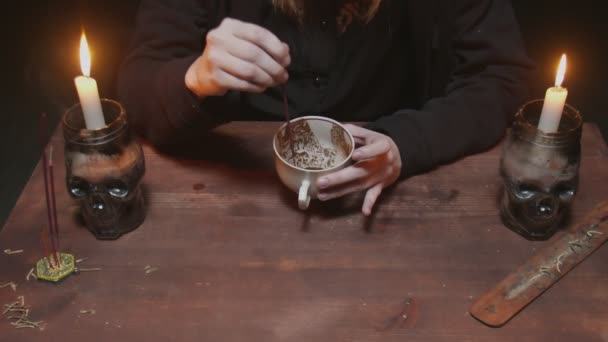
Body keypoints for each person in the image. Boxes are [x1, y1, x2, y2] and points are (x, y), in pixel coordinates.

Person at [118, 0, 532, 215]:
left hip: (394, 204)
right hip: (231, 202)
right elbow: (137, 86)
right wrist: (198, 76)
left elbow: (501, 77)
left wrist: (408, 143)